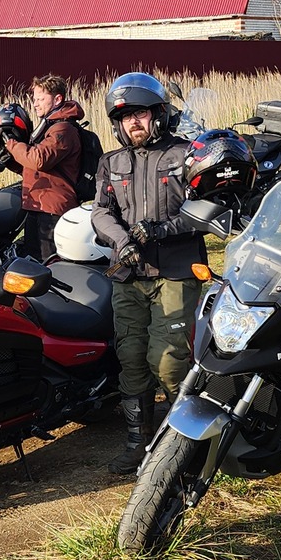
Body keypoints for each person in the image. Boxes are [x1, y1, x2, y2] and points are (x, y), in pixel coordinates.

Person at [89, 72, 204, 476]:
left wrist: (159, 230)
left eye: (140, 113)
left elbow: (206, 211)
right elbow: (101, 213)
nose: (133, 122)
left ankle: (183, 444)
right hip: (128, 275)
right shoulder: (111, 163)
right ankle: (139, 443)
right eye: (125, 117)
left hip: (176, 271)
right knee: (131, 359)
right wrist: (123, 241)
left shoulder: (186, 154)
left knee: (169, 361)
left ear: (158, 114)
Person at [0, 74, 86, 261]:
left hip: (53, 209)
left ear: (57, 99)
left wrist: (12, 145)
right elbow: (34, 170)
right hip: (37, 206)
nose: (35, 104)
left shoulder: (63, 129)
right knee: (33, 261)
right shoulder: (48, 127)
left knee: (49, 264)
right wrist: (10, 161)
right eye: (34, 99)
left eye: (40, 98)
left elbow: (39, 160)